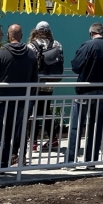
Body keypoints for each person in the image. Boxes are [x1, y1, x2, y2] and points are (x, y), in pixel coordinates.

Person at [0, 24, 40, 176]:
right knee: (10, 133)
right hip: (21, 100)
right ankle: (3, 164)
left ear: (9, 36)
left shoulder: (0, 53)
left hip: (0, 100)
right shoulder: (30, 54)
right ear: (21, 36)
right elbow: (35, 80)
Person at [66, 22, 103, 167]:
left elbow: (76, 67)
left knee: (76, 125)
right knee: (96, 126)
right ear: (102, 32)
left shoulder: (87, 45)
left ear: (91, 33)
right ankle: (92, 159)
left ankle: (71, 159)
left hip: (85, 90)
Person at [28, 21, 63, 150]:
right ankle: (53, 139)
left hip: (36, 83)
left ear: (36, 31)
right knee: (46, 111)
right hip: (50, 82)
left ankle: (33, 142)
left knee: (33, 113)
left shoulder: (32, 45)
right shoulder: (57, 44)